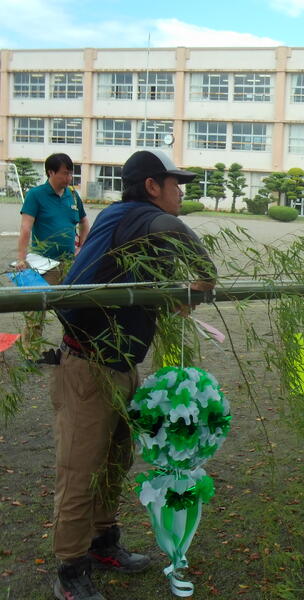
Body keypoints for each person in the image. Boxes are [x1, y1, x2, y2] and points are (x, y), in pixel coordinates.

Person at [50, 149, 216, 600]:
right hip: (88, 367)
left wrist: (172, 297)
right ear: (151, 186)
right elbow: (176, 231)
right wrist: (205, 275)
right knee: (80, 470)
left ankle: (103, 542)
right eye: (175, 184)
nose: (180, 193)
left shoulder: (130, 226)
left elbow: (146, 279)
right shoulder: (134, 216)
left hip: (121, 365)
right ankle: (70, 569)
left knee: (114, 460)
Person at [16, 153, 89, 361]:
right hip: (44, 264)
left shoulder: (72, 196)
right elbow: (25, 228)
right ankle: (30, 354)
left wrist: (83, 249)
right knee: (37, 310)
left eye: (71, 173)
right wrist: (21, 258)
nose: (69, 178)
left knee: (73, 309)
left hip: (70, 264)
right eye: (65, 173)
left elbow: (84, 222)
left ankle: (72, 349)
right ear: (51, 172)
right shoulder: (36, 195)